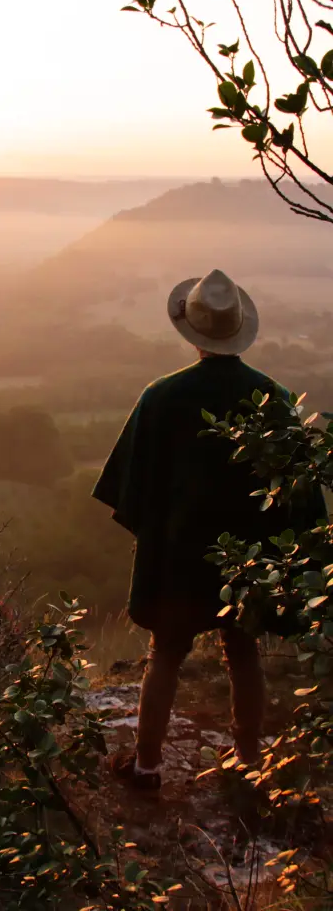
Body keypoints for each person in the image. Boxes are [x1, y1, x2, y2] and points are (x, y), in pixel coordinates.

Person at [93, 269, 327, 790]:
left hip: (178, 558)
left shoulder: (161, 397)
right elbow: (301, 497)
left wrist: (160, 533)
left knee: (165, 655)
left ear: (191, 331)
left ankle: (148, 766)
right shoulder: (274, 397)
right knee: (243, 652)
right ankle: (249, 760)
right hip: (249, 557)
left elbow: (130, 489)